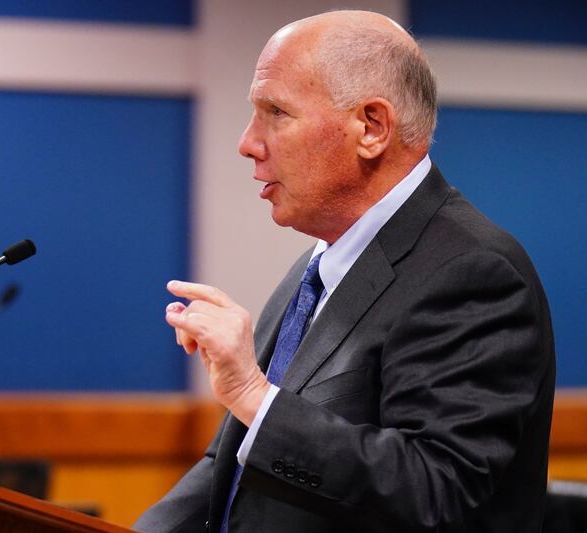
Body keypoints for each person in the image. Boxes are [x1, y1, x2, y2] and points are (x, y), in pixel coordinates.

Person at [134, 10, 555, 533]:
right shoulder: (320, 263)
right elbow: (231, 461)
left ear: (372, 127)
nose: (247, 142)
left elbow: (437, 491)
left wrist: (253, 394)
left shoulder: (474, 271)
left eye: (276, 112)